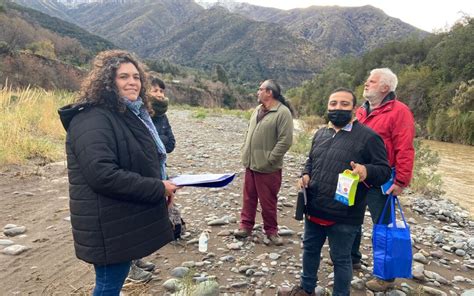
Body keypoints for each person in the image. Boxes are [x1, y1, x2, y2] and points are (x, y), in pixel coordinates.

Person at [58, 50, 180, 295]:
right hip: (106, 223)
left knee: (112, 280)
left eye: (136, 76)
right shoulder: (93, 119)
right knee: (108, 285)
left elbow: (134, 158)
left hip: (117, 218)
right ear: (107, 81)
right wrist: (157, 187)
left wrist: (162, 182)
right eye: (123, 77)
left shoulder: (125, 114)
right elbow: (103, 174)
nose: (132, 82)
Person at [278, 88, 391, 296]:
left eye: (344, 104)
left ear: (354, 109)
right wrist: (305, 174)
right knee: (310, 250)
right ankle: (306, 289)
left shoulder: (369, 138)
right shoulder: (321, 133)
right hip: (315, 206)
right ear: (328, 107)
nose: (337, 108)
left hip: (345, 214)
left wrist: (366, 170)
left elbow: (384, 171)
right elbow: (311, 161)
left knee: (341, 258)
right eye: (333, 104)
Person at [351, 68, 415, 292]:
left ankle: (385, 277)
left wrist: (401, 181)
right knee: (351, 219)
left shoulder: (400, 112)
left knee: (384, 227)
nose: (366, 83)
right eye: (367, 80)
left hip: (382, 180)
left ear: (385, 88)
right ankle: (353, 259)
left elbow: (405, 148)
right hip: (356, 177)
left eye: (372, 81)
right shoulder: (362, 110)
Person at [125, 76, 180, 281]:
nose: (159, 94)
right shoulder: (138, 113)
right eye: (155, 90)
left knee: (145, 219)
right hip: (142, 176)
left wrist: (157, 144)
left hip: (160, 172)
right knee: (133, 219)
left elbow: (170, 143)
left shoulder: (162, 117)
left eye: (161, 91)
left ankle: (137, 258)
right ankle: (129, 267)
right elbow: (143, 147)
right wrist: (157, 144)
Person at [235, 79, 294, 246]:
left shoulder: (283, 113)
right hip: (251, 163)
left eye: (260, 89)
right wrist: (244, 150)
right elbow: (249, 132)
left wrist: (270, 160)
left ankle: (271, 231)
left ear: (269, 92)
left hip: (268, 168)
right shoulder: (257, 110)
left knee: (268, 201)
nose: (257, 92)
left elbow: (285, 140)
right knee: (249, 197)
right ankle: (246, 226)